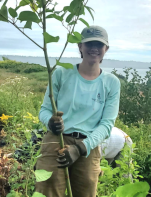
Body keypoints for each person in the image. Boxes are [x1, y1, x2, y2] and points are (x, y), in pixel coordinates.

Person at [35, 26, 121, 197]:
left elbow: (106, 124)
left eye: (99, 44)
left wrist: (80, 148)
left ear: (106, 49)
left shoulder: (112, 83)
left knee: (86, 191)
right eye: (89, 44)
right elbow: (44, 110)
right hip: (56, 140)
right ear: (80, 46)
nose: (94, 48)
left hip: (88, 145)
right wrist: (50, 122)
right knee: (48, 189)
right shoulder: (61, 73)